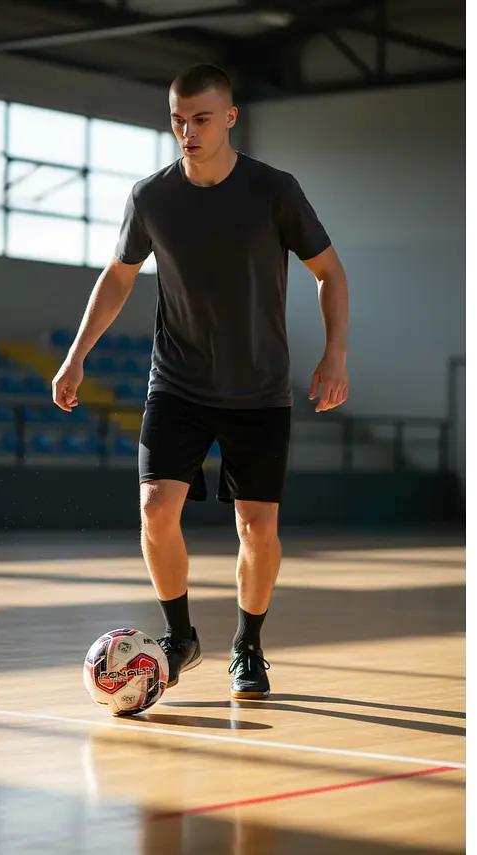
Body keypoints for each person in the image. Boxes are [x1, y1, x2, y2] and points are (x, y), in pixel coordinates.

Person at [52, 63, 349, 700]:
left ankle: (248, 644)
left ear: (230, 118)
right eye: (178, 120)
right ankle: (181, 637)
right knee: (156, 511)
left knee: (257, 529)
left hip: (260, 390)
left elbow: (330, 272)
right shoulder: (151, 197)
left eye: (202, 119)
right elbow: (119, 277)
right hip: (178, 383)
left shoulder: (275, 190)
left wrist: (335, 355)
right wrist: (77, 355)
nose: (188, 131)